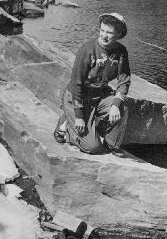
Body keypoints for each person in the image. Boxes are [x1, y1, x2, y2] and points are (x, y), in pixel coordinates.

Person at [54, 13, 130, 156]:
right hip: (77, 97)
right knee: (92, 148)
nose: (104, 36)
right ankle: (67, 126)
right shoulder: (87, 49)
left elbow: (124, 79)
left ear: (118, 34)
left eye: (109, 32)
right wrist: (78, 117)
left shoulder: (121, 51)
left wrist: (115, 104)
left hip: (99, 95)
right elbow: (76, 84)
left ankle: (110, 144)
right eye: (102, 31)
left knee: (121, 107)